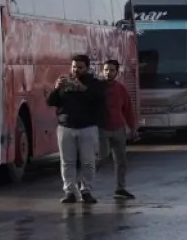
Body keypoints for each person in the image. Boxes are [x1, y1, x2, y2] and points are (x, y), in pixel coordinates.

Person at [46, 54, 106, 204]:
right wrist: (56, 88)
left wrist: (83, 88)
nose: (76, 70)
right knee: (67, 162)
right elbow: (51, 102)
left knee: (88, 162)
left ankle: (86, 191)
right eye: (74, 67)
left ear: (87, 68)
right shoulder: (65, 82)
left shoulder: (94, 84)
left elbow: (99, 99)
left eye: (80, 67)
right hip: (66, 127)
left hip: (87, 127)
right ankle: (70, 191)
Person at [97, 59, 138, 199]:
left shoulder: (120, 89)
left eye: (111, 70)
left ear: (116, 72)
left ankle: (120, 188)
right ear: (102, 71)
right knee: (102, 157)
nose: (108, 73)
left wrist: (132, 127)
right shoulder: (98, 88)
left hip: (119, 128)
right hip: (102, 128)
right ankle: (84, 185)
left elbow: (127, 109)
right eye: (106, 70)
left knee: (121, 160)